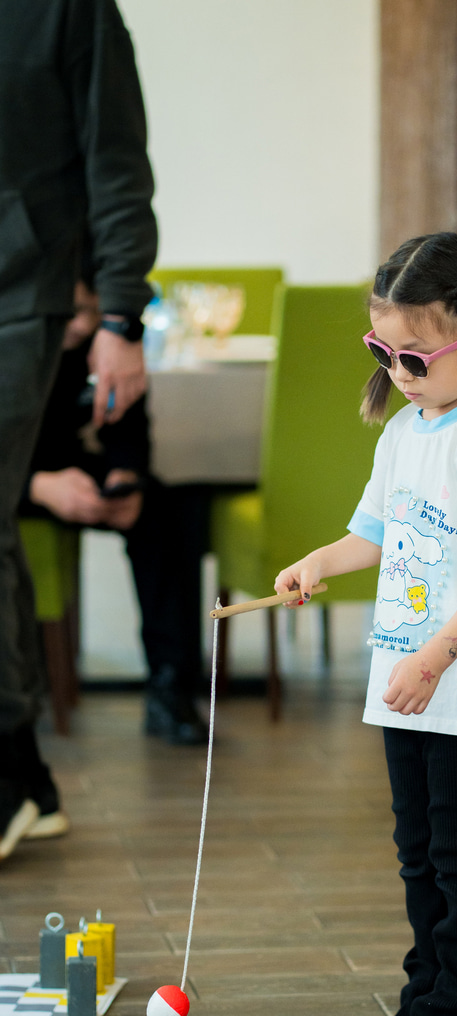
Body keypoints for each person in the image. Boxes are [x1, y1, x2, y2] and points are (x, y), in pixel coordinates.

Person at [275, 231, 457, 1016]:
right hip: (406, 680)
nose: (399, 371)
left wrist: (437, 655)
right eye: (383, 352)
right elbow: (373, 534)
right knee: (418, 853)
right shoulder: (404, 430)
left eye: (416, 356)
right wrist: (319, 561)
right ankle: (425, 999)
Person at [0, 0, 157, 858]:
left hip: (26, 294)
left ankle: (11, 777)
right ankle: (24, 776)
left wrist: (122, 313)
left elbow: (116, 160)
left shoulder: (71, 9)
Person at [20, 283, 206, 758]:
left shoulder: (107, 339)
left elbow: (128, 423)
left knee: (166, 509)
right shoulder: (14, 340)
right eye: (75, 311)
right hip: (15, 479)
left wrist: (127, 475)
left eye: (95, 313)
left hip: (68, 464)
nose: (84, 324)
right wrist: (37, 486)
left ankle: (171, 685)